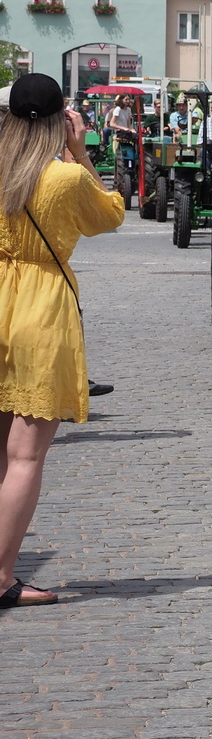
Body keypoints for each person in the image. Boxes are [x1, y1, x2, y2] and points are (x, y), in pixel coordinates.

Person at [0, 74, 126, 607]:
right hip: (39, 309)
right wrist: (80, 152)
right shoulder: (64, 179)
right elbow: (112, 213)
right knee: (24, 457)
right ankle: (3, 577)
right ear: (60, 119)